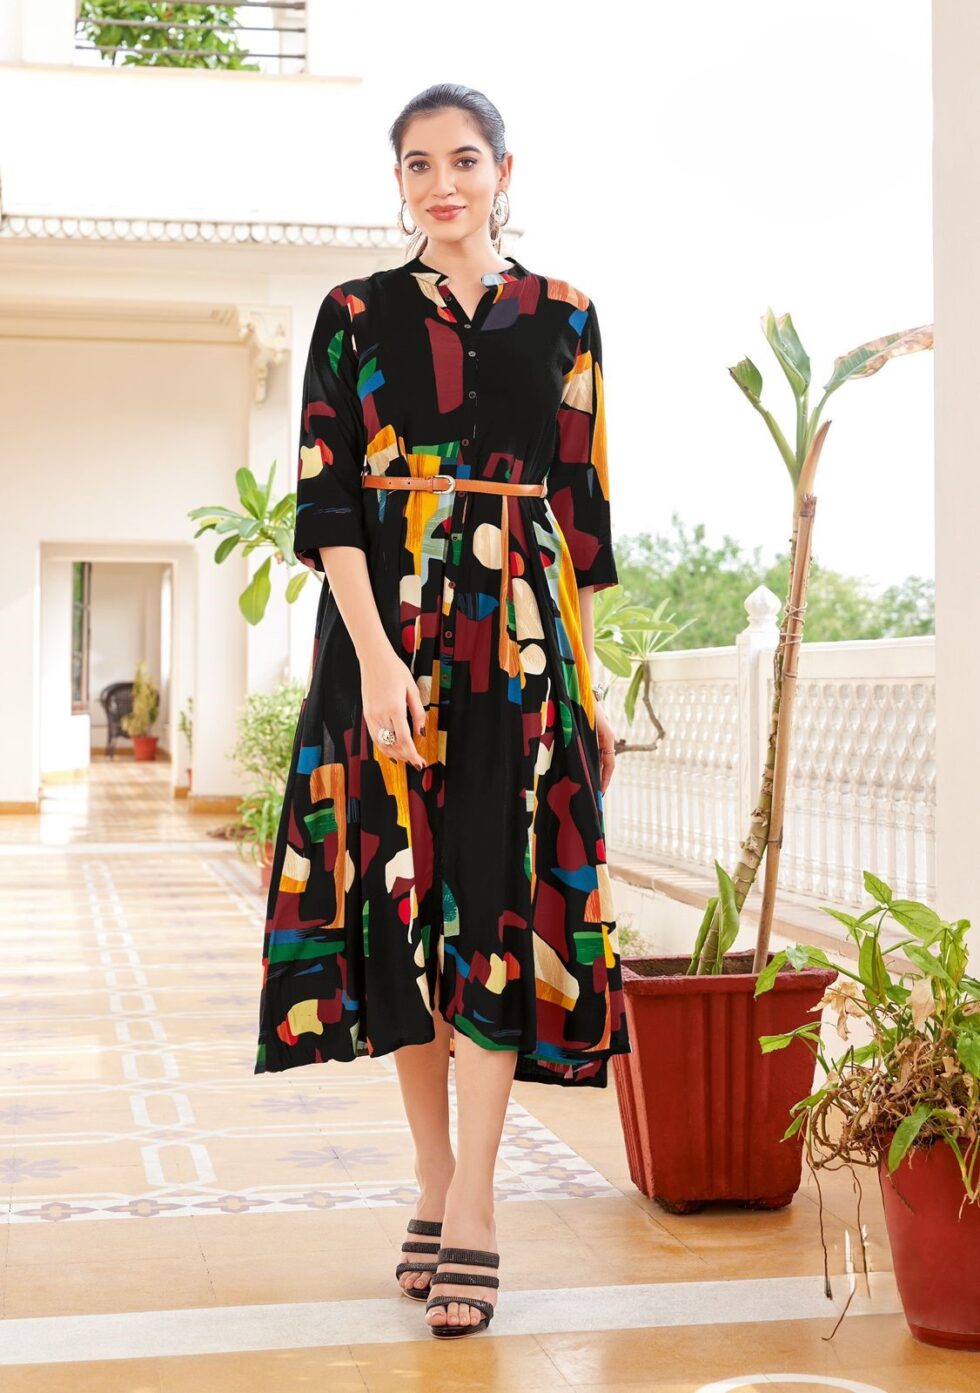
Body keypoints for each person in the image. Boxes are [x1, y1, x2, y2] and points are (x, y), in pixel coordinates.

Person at [253, 82, 630, 1338]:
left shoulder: (564, 315)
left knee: (495, 901)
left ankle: (473, 1199)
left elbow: (579, 516)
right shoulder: (353, 312)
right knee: (403, 901)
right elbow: (326, 499)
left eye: (462, 160)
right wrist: (372, 660)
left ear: (502, 171)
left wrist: (588, 682)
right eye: (417, 165)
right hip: (385, 639)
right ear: (399, 183)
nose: (441, 184)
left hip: (518, 648)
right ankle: (430, 1175)